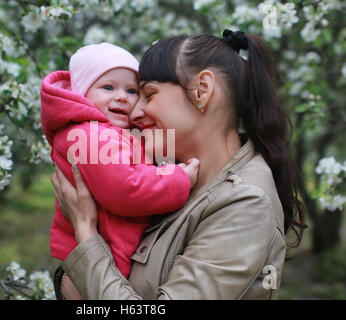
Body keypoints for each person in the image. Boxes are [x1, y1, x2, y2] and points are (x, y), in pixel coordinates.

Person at [50, 30, 306, 299]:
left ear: (202, 91)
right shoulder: (167, 179)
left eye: (148, 94)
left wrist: (86, 233)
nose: (135, 112)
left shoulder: (246, 203)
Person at [40, 42, 199, 281]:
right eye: (108, 87)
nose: (122, 97)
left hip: (107, 254)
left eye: (131, 91)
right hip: (105, 257)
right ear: (81, 93)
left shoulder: (108, 133)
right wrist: (178, 180)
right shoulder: (90, 135)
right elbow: (124, 188)